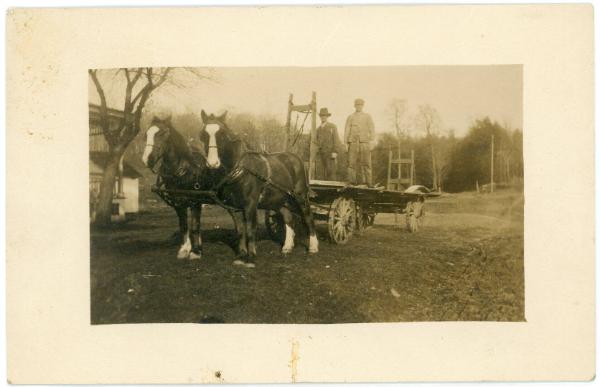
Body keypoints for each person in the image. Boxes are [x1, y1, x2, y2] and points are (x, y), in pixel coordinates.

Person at [344, 98, 374, 185]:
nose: (359, 107)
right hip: (353, 143)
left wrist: (372, 141)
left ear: (363, 106)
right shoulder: (350, 117)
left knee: (367, 163)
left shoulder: (367, 116)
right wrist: (345, 143)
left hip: (364, 142)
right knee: (351, 163)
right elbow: (347, 130)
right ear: (354, 106)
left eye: (360, 105)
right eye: (357, 105)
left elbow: (372, 129)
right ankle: (352, 181)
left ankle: (368, 182)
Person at [315, 107, 341, 180]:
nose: (323, 117)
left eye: (325, 116)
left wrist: (335, 151)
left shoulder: (332, 127)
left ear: (327, 116)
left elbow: (336, 139)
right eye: (322, 116)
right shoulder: (318, 129)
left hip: (330, 153)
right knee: (321, 173)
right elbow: (316, 142)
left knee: (331, 172)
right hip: (320, 153)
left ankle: (332, 190)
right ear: (320, 117)